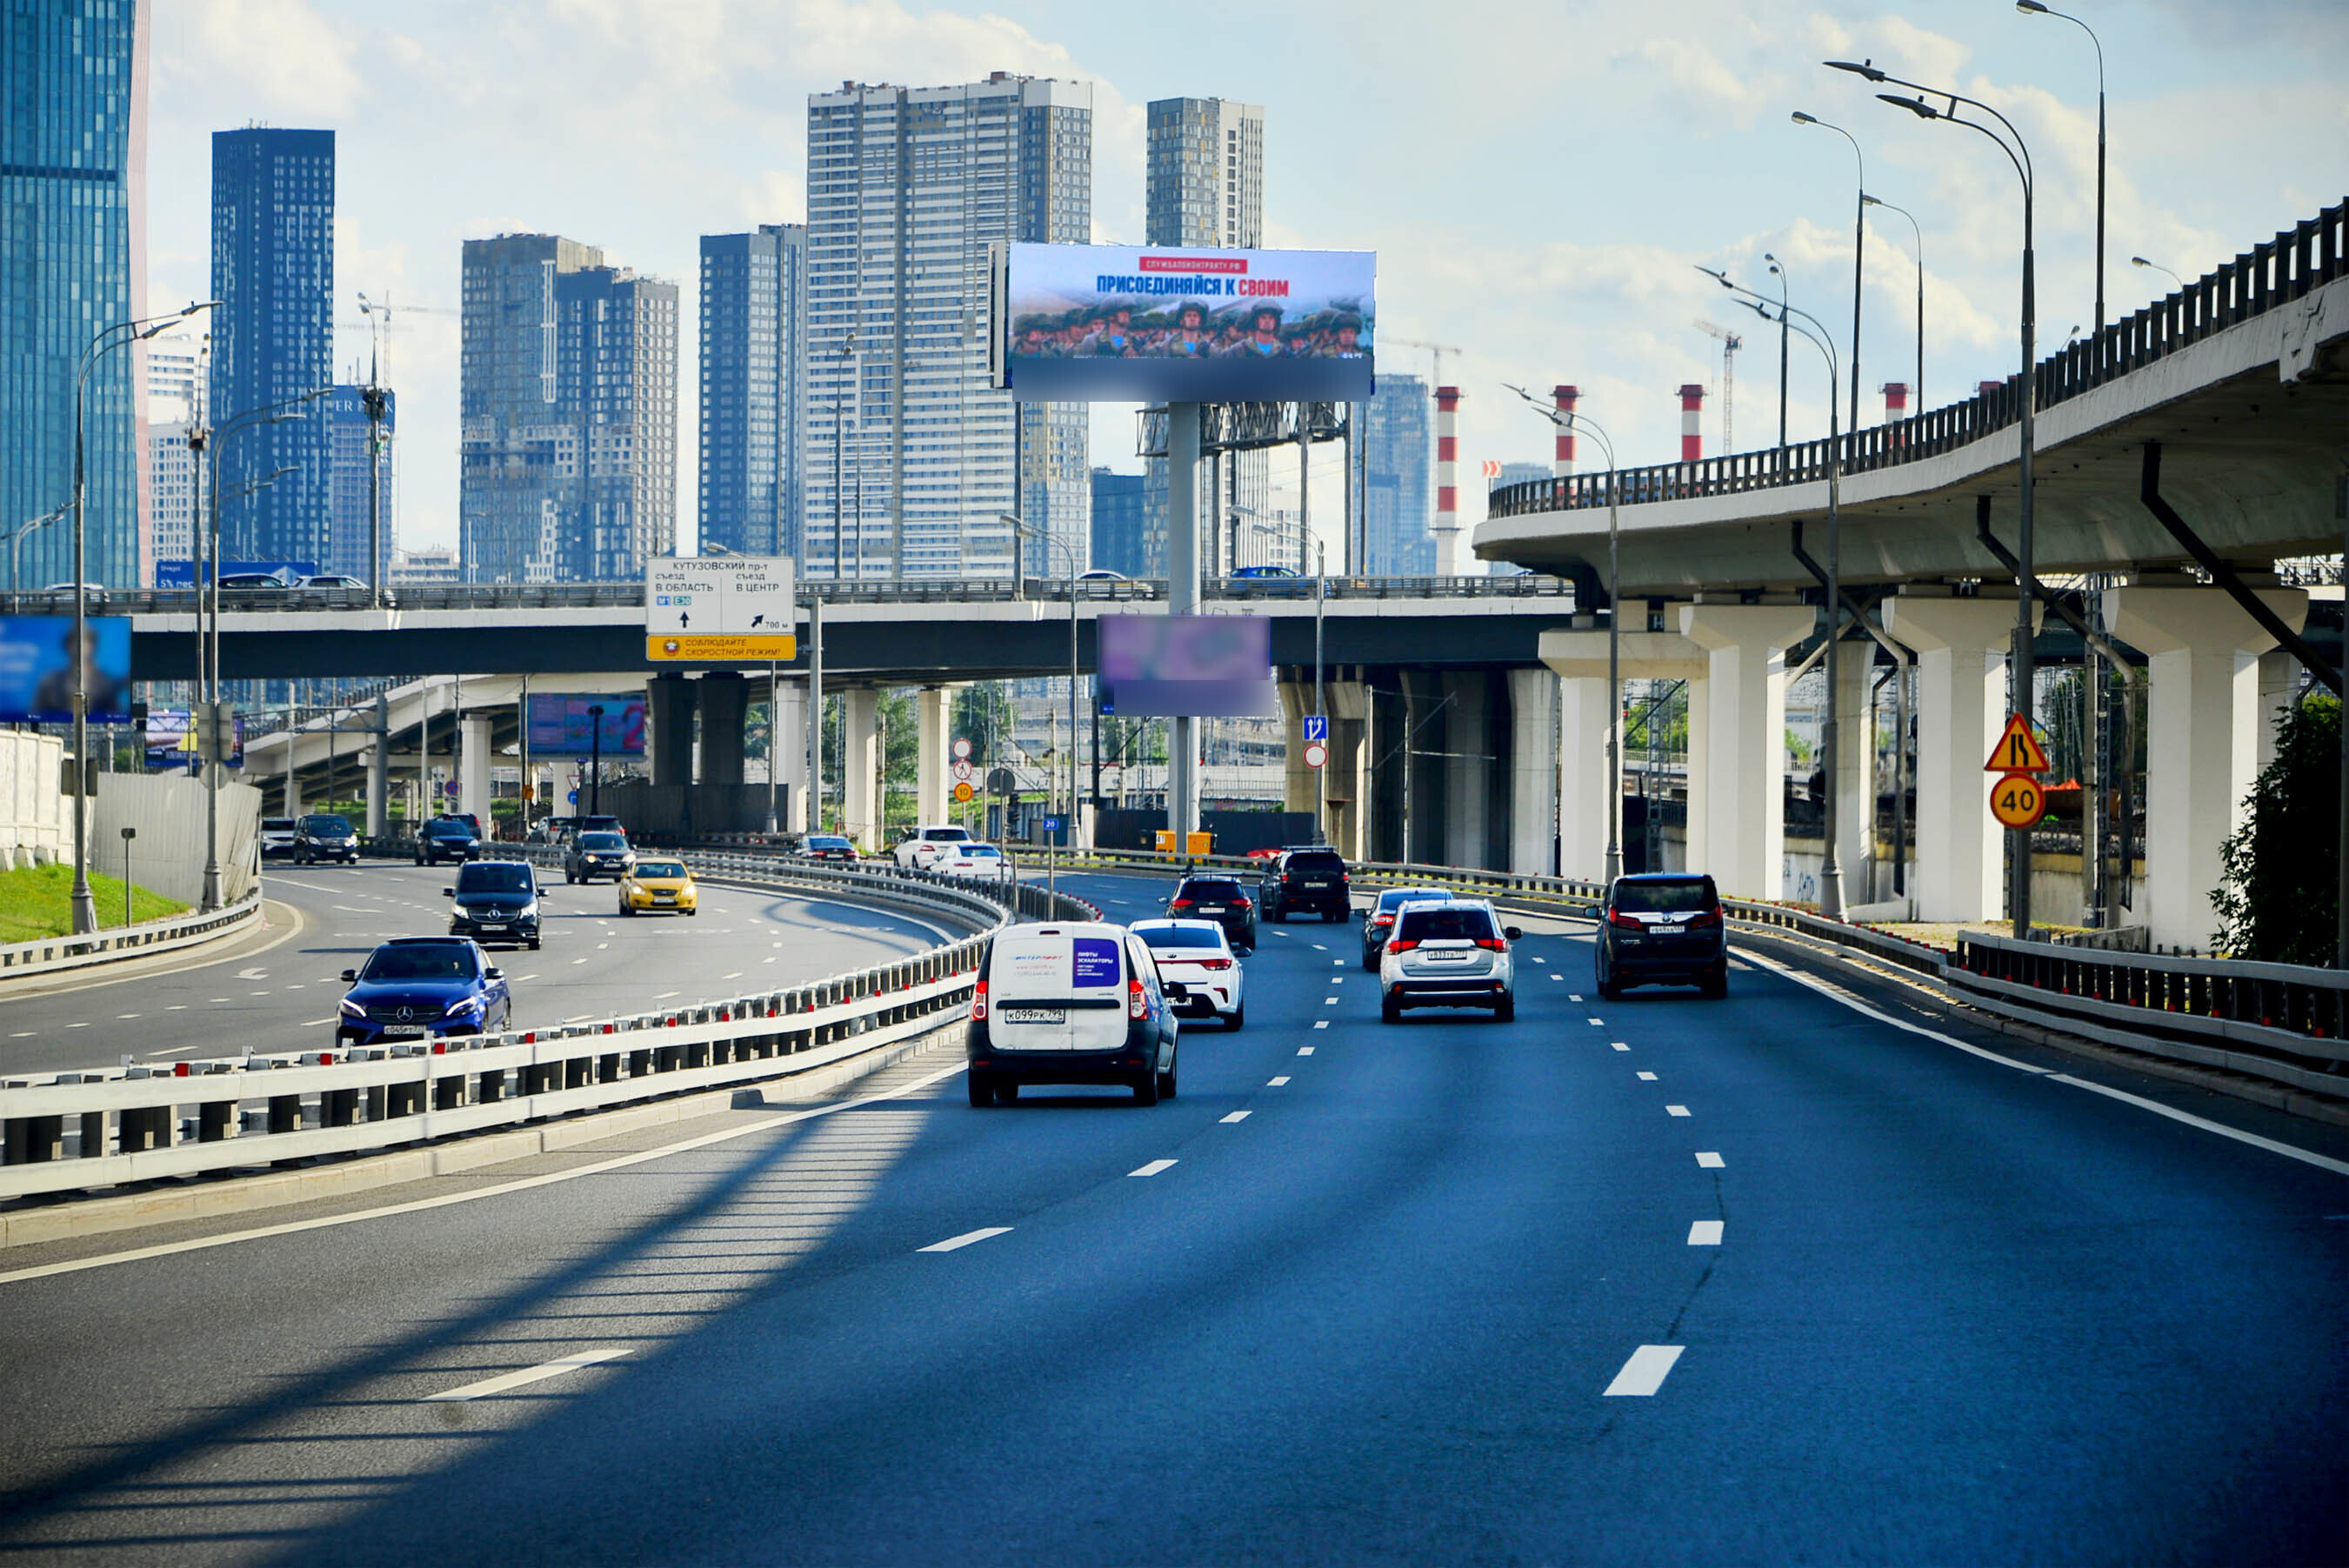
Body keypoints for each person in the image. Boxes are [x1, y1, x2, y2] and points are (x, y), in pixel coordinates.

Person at [29, 621, 124, 722]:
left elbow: (117, 716)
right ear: (67, 645)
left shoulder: (106, 683)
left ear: (93, 645)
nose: (80, 646)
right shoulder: (49, 682)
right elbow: (35, 714)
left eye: (85, 640)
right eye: (74, 641)